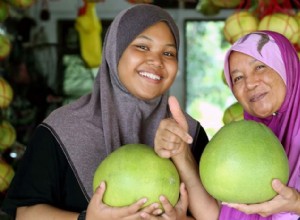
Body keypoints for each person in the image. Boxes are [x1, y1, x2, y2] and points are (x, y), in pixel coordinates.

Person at [1, 4, 209, 220]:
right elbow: (25, 214)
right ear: (114, 51)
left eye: (168, 53)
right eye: (142, 47)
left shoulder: (187, 133)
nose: (157, 61)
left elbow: (227, 215)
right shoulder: (61, 129)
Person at [154, 30, 300, 220]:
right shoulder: (248, 141)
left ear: (286, 66)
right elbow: (221, 215)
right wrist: (181, 153)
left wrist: (297, 204)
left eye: (260, 67)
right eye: (238, 77)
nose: (250, 83)